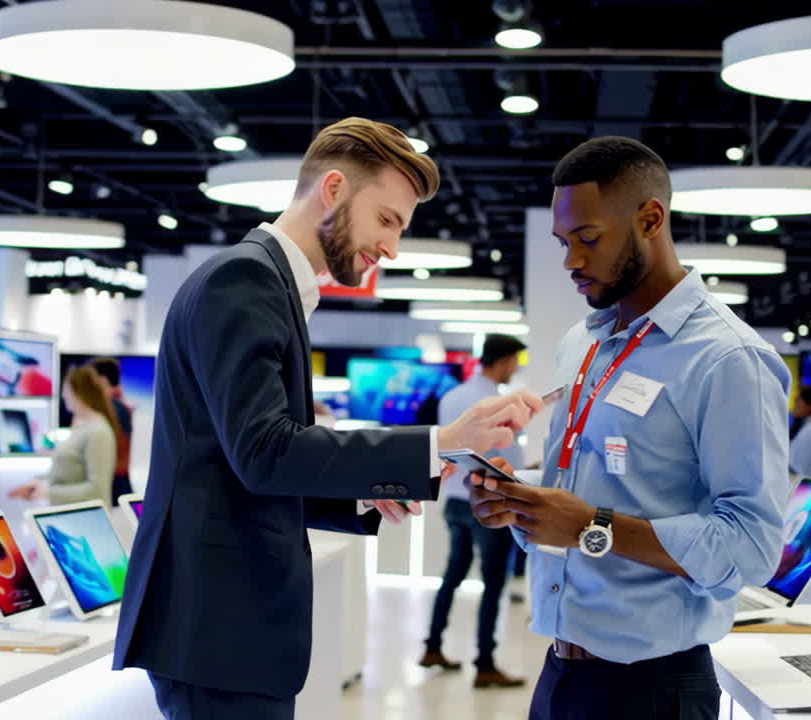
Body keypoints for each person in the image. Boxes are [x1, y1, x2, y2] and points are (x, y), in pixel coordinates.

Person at [112, 117, 543, 720]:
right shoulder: (245, 281)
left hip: (222, 627)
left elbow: (242, 466)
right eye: (387, 220)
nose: (391, 248)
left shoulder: (267, 284)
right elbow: (264, 453)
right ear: (333, 189)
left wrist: (367, 494)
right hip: (216, 627)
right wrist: (439, 441)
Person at [468, 136, 790, 720]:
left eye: (588, 238)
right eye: (564, 243)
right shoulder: (582, 343)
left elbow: (753, 546)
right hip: (561, 671)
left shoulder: (727, 359)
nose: (570, 261)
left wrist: (593, 527)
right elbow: (600, 494)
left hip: (653, 690)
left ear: (650, 218)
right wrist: (524, 505)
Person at [419, 334, 528, 688]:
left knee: (452, 576)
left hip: (453, 499)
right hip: (487, 503)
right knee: (493, 584)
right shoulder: (496, 404)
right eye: (515, 361)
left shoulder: (452, 396)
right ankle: (484, 663)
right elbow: (506, 459)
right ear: (504, 361)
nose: (515, 368)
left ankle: (432, 646)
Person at [10, 365, 119, 507]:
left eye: (65, 390)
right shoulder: (81, 426)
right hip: (69, 516)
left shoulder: (98, 431)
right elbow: (69, 473)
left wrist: (48, 491)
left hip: (85, 519)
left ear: (78, 392)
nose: (63, 395)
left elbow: (97, 490)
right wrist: (40, 484)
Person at [91, 357, 134, 503]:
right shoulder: (118, 405)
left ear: (102, 379)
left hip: (114, 482)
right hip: (116, 480)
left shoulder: (114, 408)